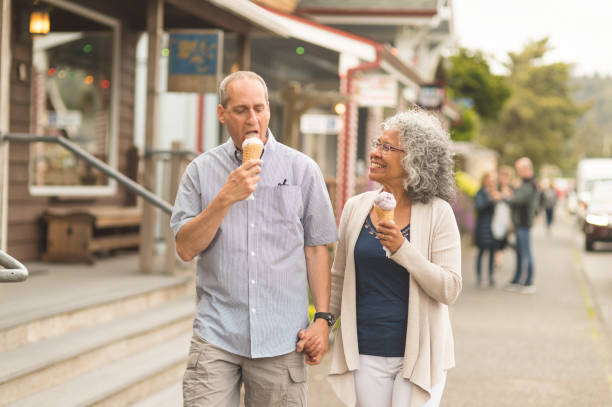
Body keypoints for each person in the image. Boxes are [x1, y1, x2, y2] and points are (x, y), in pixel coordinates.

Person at [170, 71, 338, 407]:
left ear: (269, 111)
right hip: (217, 333)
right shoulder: (201, 171)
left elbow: (316, 250)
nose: (252, 120)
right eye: (241, 110)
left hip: (282, 337)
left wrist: (322, 319)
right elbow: (186, 248)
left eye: (259, 109)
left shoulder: (303, 169)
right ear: (222, 114)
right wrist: (224, 198)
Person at [325, 109, 462, 407]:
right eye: (377, 143)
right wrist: (323, 324)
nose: (375, 152)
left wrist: (403, 250)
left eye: (387, 147)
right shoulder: (355, 208)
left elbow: (449, 288)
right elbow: (339, 278)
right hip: (365, 351)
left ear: (414, 159)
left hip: (420, 352)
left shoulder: (439, 213)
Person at [504, 157, 539, 294]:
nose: (518, 172)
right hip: (520, 223)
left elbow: (517, 200)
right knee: (520, 252)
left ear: (526, 169)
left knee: (525, 253)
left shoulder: (530, 184)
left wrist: (504, 197)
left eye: (519, 170)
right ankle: (517, 280)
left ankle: (528, 282)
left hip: (524, 223)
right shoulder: (526, 183)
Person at [474, 171, 500, 287]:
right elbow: (480, 207)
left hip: (493, 226)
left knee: (492, 252)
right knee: (481, 252)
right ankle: (479, 276)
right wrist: (491, 200)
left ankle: (491, 277)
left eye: (494, 180)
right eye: (490, 180)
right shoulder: (480, 193)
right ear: (485, 180)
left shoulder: (494, 192)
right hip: (482, 226)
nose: (492, 182)